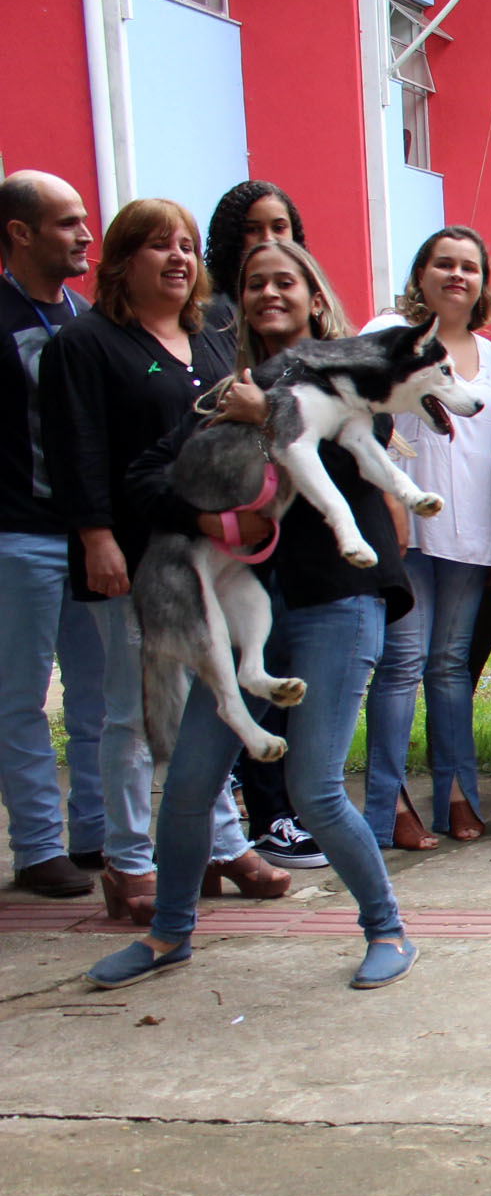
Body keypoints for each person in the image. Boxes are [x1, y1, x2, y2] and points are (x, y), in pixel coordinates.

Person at [86, 238, 411, 990]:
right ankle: (169, 936)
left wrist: (266, 412)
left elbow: (356, 460)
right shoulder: (224, 388)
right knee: (192, 779)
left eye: (285, 282)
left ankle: (387, 929)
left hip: (337, 601)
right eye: (255, 282)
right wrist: (206, 523)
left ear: (314, 298)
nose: (269, 292)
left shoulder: (353, 381)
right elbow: (143, 478)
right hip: (242, 617)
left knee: (314, 788)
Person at [38, 198, 265, 919]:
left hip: (213, 554)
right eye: (159, 245)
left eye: (188, 245)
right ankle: (128, 858)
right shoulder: (87, 343)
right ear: (121, 260)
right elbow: (77, 451)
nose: (178, 257)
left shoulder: (211, 339)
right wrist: (95, 536)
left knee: (216, 697)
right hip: (133, 556)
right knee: (136, 714)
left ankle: (220, 843)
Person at [363, 227, 491, 847]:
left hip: (472, 534)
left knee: (450, 667)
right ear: (420, 275)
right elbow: (362, 422)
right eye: (443, 264)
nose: (457, 275)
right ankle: (386, 804)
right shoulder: (388, 332)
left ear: (482, 283)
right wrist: (386, 504)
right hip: (407, 527)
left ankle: (455, 792)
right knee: (401, 665)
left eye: (469, 267)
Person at [0, 171, 109, 899]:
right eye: (68, 222)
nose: (84, 235)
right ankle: (38, 848)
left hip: (88, 538)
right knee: (19, 697)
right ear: (20, 232)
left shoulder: (83, 316)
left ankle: (97, 833)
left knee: (100, 695)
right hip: (18, 535)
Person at [199, 180, 302, 334]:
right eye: (253, 229)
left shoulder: (311, 301)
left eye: (279, 228)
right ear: (231, 237)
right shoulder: (216, 314)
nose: (268, 239)